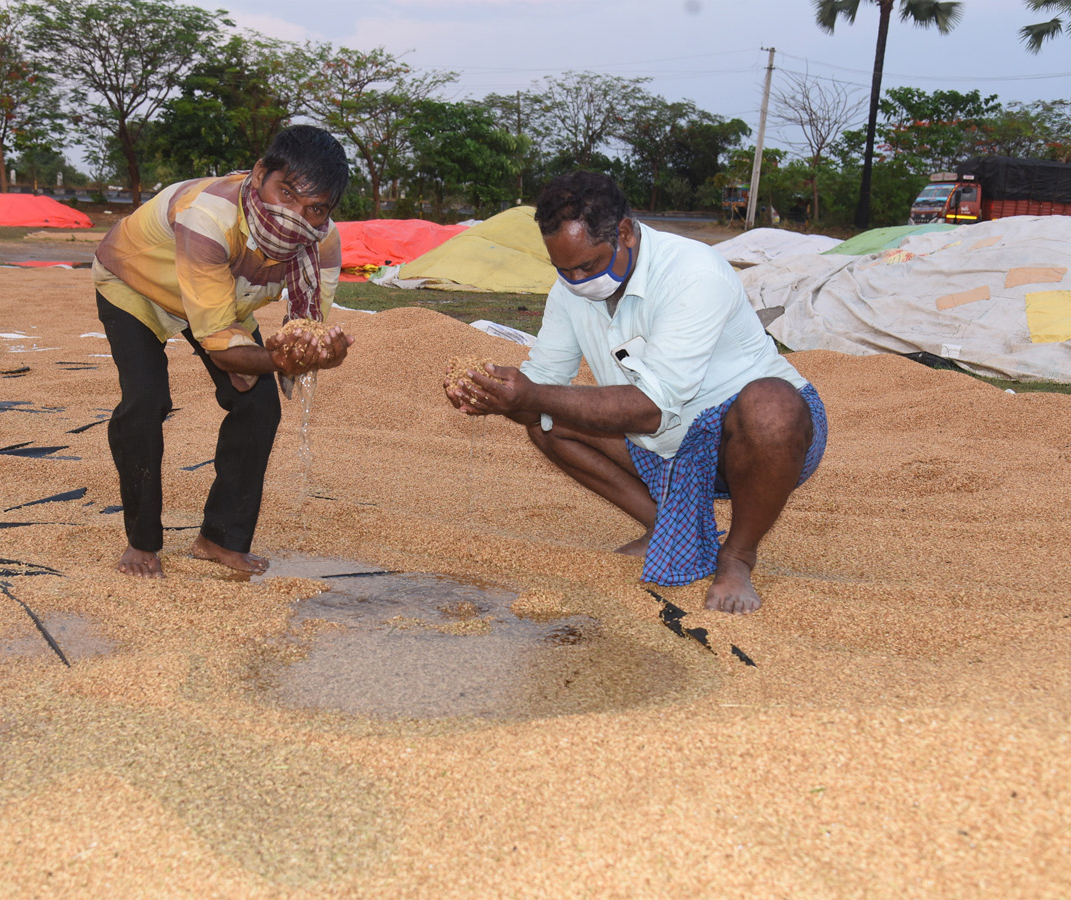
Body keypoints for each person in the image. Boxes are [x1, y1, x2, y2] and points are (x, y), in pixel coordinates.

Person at [445, 172, 826, 614]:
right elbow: (543, 383)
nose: (576, 279)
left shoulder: (693, 273)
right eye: (562, 269)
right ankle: (665, 526)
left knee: (771, 404)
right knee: (546, 423)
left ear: (624, 232)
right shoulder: (569, 292)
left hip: (750, 441)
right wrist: (493, 395)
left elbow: (650, 409)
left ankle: (738, 556)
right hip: (666, 444)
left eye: (587, 266)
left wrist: (532, 395)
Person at [94, 124, 353, 579]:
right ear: (258, 174)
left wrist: (323, 352)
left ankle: (220, 538)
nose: (295, 216)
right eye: (286, 194)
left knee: (259, 405)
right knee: (145, 400)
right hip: (135, 282)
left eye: (314, 208)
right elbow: (221, 346)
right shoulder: (208, 216)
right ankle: (142, 540)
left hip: (220, 296)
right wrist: (274, 359)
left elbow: (305, 334)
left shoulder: (322, 244)